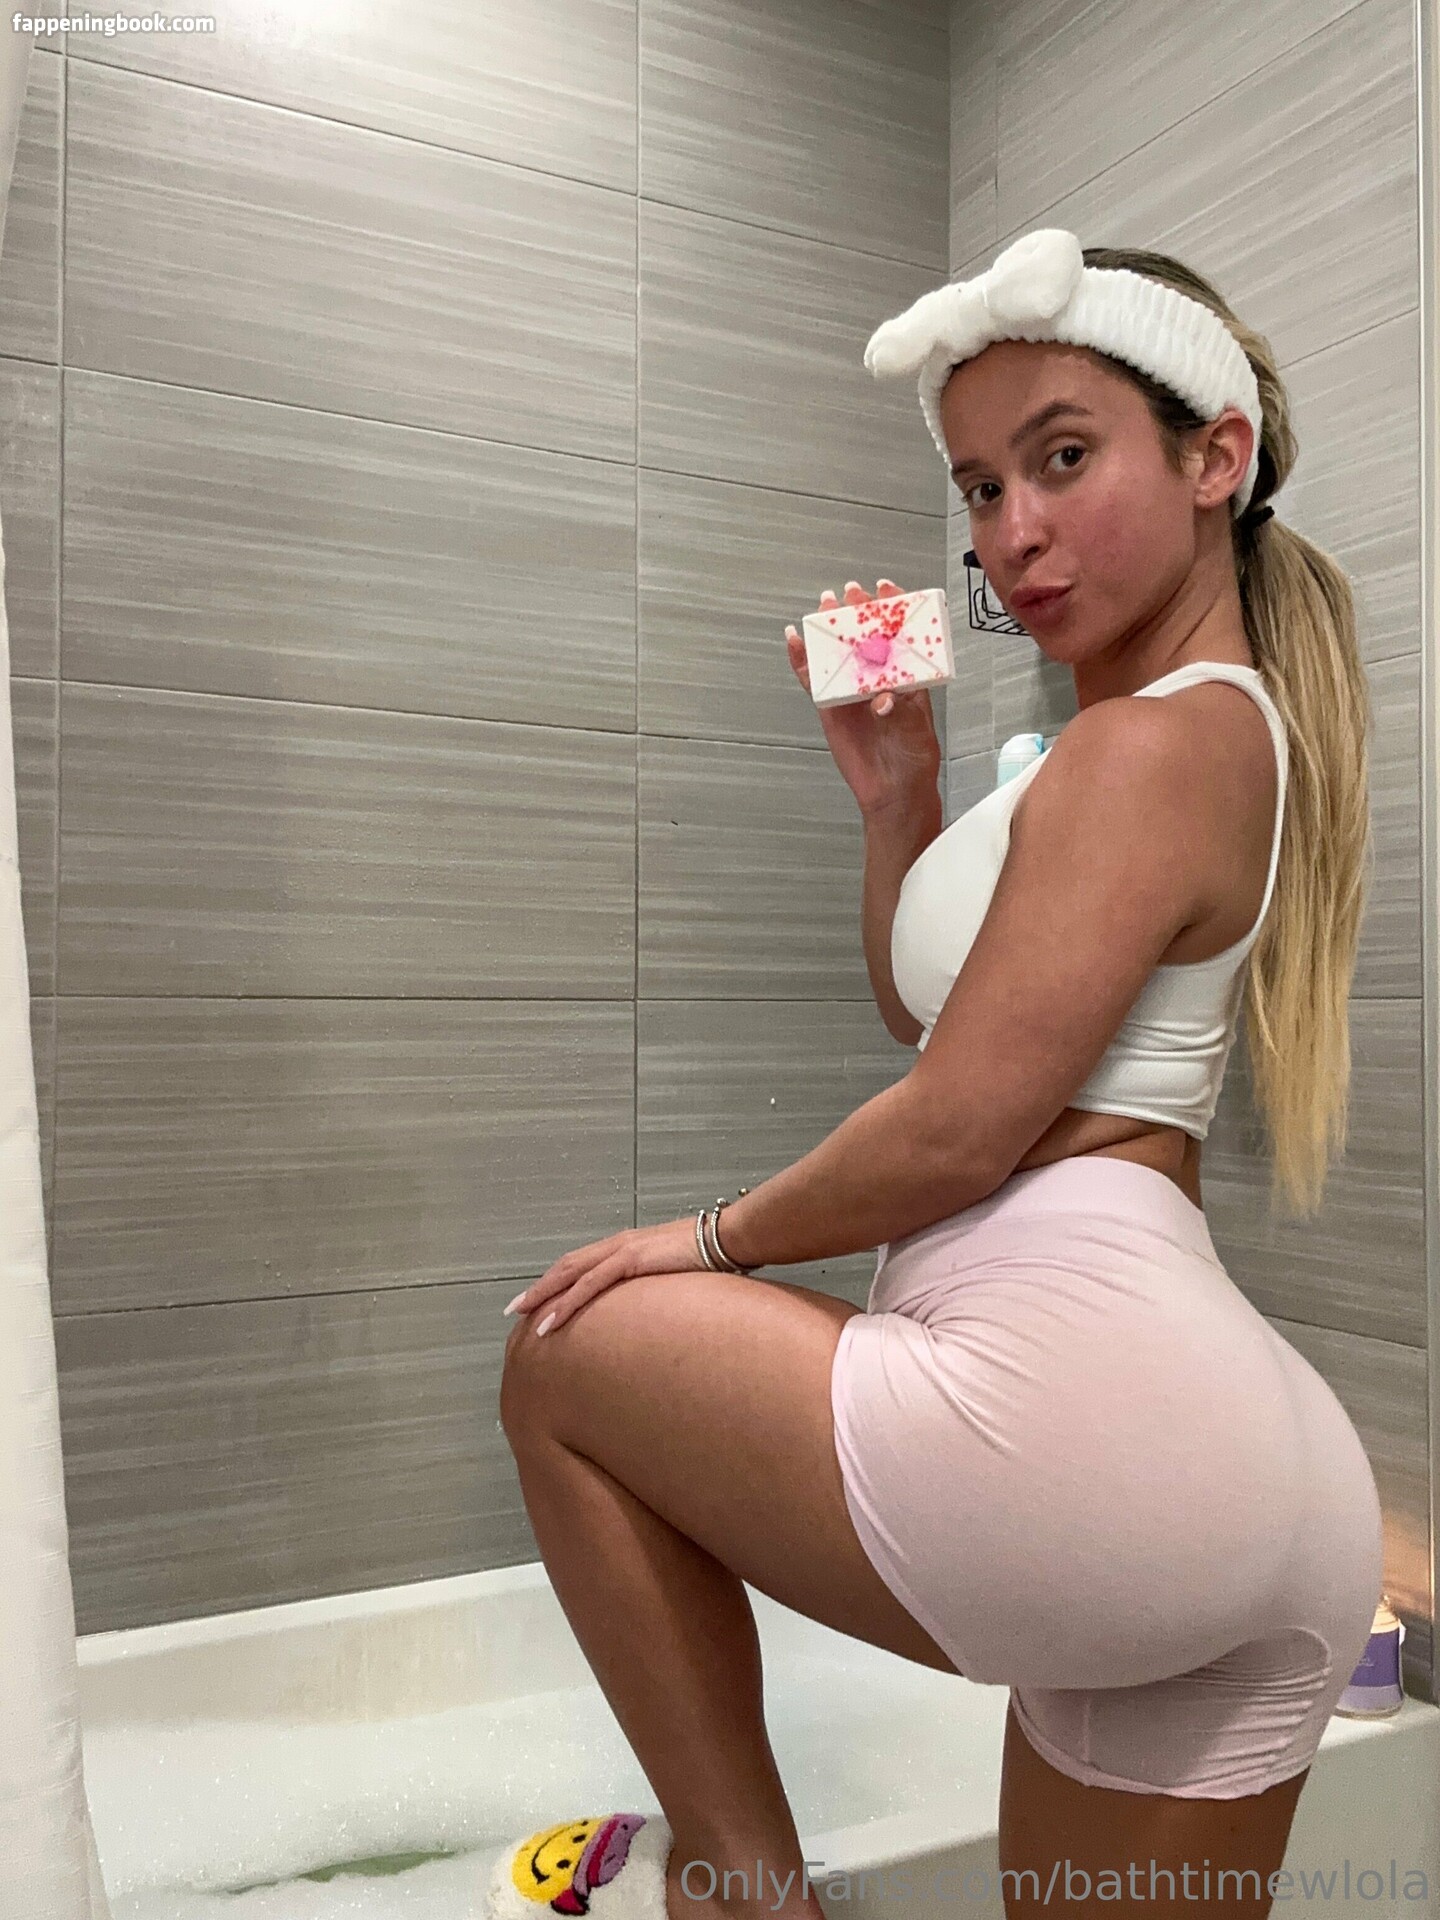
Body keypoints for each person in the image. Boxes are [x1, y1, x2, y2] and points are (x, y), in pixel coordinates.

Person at [491, 229, 1384, 1920]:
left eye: (1064, 458)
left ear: (1216, 458)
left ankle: (741, 1888)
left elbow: (961, 1127)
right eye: (980, 487)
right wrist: (898, 796)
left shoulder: (1148, 744)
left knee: (566, 1354)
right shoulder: (1165, 739)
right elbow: (950, 1036)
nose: (1010, 531)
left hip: (1085, 1424)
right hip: (1238, 1486)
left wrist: (707, 1241)